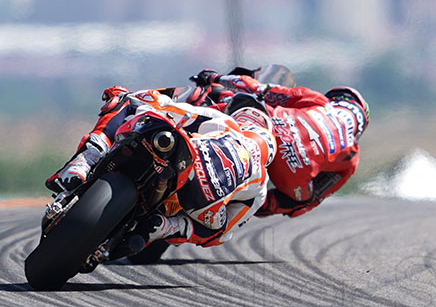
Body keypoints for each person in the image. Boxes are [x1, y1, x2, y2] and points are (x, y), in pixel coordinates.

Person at [47, 88, 276, 249]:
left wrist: (141, 96)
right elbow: (222, 233)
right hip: (200, 204)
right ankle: (165, 227)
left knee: (126, 101)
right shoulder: (261, 185)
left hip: (186, 169)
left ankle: (86, 160)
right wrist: (180, 225)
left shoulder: (225, 123)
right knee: (218, 230)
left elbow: (165, 107)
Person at [190, 68, 369, 218]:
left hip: (269, 129)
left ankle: (193, 117)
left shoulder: (320, 101)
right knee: (303, 200)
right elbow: (314, 199)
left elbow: (259, 89)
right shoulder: (352, 157)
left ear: (338, 99)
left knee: (235, 100)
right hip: (291, 176)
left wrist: (215, 77)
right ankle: (243, 206)